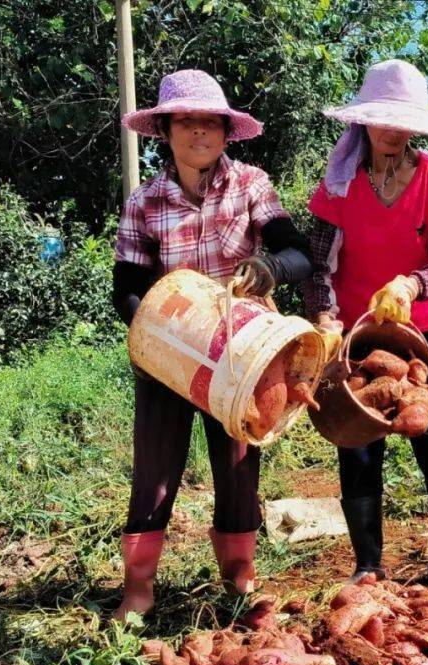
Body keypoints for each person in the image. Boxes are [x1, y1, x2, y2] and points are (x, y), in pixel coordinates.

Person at [112, 69, 313, 620]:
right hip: (169, 356)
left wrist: (269, 268)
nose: (198, 131)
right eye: (186, 121)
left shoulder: (250, 185)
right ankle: (139, 588)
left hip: (242, 357)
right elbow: (127, 288)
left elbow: (297, 253)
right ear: (166, 130)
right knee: (155, 467)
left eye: (210, 122)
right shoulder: (145, 202)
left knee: (238, 462)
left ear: (226, 131)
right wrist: (159, 340)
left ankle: (239, 578)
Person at [303, 59, 428, 589]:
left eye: (403, 121)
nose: (393, 131)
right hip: (354, 337)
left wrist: (409, 284)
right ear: (364, 122)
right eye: (383, 119)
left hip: (422, 336)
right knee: (356, 448)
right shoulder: (339, 183)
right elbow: (315, 264)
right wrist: (325, 316)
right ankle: (368, 566)